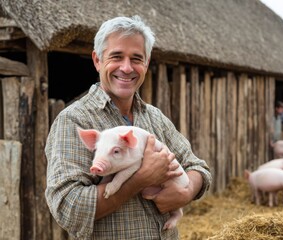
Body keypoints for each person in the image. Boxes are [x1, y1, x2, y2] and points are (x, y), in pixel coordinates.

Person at [45, 15, 212, 240]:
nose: (126, 68)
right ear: (97, 60)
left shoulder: (154, 117)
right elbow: (68, 208)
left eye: (136, 58)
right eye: (116, 57)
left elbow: (198, 167)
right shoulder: (75, 120)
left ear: (146, 63)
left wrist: (186, 191)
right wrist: (141, 179)